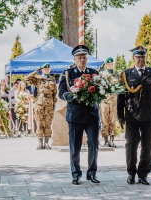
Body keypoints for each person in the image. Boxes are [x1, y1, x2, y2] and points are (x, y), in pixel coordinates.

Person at [117, 45, 151, 185]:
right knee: (131, 146)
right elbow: (121, 97)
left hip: (149, 116)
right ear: (133, 58)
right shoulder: (126, 74)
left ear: (146, 58)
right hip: (132, 116)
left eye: (143, 57)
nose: (140, 60)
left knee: (148, 146)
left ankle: (143, 174)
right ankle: (131, 173)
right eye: (138, 57)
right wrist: (120, 116)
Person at [59, 45, 100, 185]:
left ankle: (92, 173)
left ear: (87, 59)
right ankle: (76, 174)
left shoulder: (94, 74)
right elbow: (61, 92)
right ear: (75, 59)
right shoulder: (68, 73)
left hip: (92, 115)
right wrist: (71, 97)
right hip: (75, 115)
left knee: (94, 144)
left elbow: (100, 91)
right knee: (75, 146)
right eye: (79, 57)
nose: (82, 60)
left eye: (84, 57)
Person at [25, 63, 57, 149]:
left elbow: (55, 93)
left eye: (48, 69)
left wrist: (54, 104)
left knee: (48, 123)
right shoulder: (38, 78)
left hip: (49, 104)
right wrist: (36, 71)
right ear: (42, 69)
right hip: (39, 103)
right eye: (45, 69)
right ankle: (40, 143)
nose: (47, 70)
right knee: (39, 123)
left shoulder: (52, 79)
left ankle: (46, 143)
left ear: (50, 69)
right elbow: (26, 78)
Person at [99, 57, 120, 147]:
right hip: (104, 101)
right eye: (108, 64)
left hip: (114, 101)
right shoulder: (102, 74)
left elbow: (119, 87)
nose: (110, 65)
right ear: (106, 65)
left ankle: (112, 140)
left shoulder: (117, 75)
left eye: (111, 63)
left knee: (113, 120)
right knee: (104, 120)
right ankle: (105, 140)